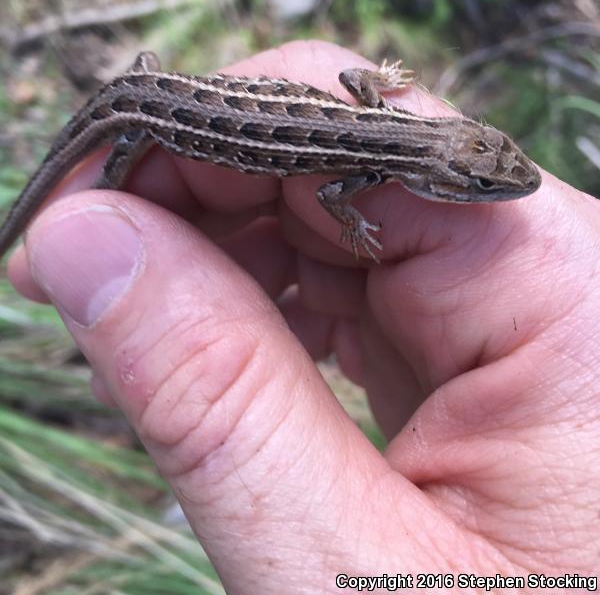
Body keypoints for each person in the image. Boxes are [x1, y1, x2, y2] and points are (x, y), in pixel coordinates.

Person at [8, 41, 600, 592]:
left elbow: (351, 78)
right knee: (112, 181)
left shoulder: (378, 124)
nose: (501, 190)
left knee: (139, 98)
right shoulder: (368, 170)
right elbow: (327, 196)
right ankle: (99, 204)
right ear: (438, 176)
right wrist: (351, 224)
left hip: (149, 85)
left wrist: (381, 81)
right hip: (146, 120)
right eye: (482, 185)